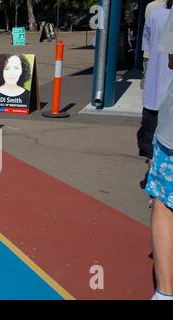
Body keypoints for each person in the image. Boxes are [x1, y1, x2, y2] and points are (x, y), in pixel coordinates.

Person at [144, 6, 173, 300]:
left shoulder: (155, 9)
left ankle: (165, 292)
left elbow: (170, 60)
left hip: (171, 130)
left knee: (164, 202)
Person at [137, 1, 173, 172]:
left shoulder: (153, 12)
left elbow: (148, 50)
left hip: (154, 96)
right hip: (166, 98)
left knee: (152, 151)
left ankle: (153, 194)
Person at [141, 0, 167, 89]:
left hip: (150, 48)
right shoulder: (167, 8)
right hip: (163, 50)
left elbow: (147, 27)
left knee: (148, 74)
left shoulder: (150, 6)